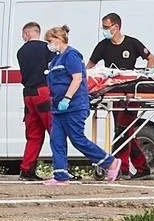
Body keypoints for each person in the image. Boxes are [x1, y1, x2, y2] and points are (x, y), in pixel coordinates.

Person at [44, 25, 121, 185]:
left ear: (59, 39)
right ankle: (61, 175)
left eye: (50, 41)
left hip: (74, 106)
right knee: (56, 140)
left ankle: (110, 162)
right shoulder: (56, 60)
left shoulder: (72, 55)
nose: (49, 45)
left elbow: (77, 78)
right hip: (58, 108)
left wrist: (67, 98)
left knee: (77, 139)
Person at [87, 12, 154, 180]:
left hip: (130, 93)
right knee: (127, 132)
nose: (104, 30)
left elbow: (151, 59)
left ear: (116, 27)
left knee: (123, 130)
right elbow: (90, 65)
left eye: (106, 27)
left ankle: (122, 167)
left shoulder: (132, 43)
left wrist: (147, 74)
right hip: (113, 94)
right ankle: (142, 169)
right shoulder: (103, 46)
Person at [16, 21, 55, 181]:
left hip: (28, 95)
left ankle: (26, 169)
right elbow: (54, 68)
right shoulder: (46, 48)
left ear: (27, 34)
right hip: (43, 92)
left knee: (33, 134)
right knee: (55, 131)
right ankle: (62, 169)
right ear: (37, 32)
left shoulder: (21, 52)